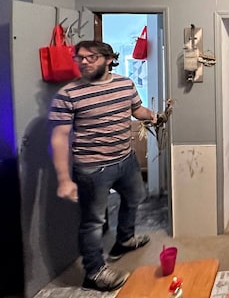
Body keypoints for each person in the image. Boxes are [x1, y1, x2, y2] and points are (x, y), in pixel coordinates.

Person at [49, 40, 155, 292]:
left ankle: (125, 240)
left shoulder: (124, 84)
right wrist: (64, 179)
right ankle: (94, 273)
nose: (84, 62)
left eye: (91, 57)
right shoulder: (68, 94)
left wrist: (154, 115)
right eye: (80, 57)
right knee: (93, 221)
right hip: (92, 168)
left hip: (126, 160)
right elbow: (59, 138)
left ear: (109, 59)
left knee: (135, 197)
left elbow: (136, 110)